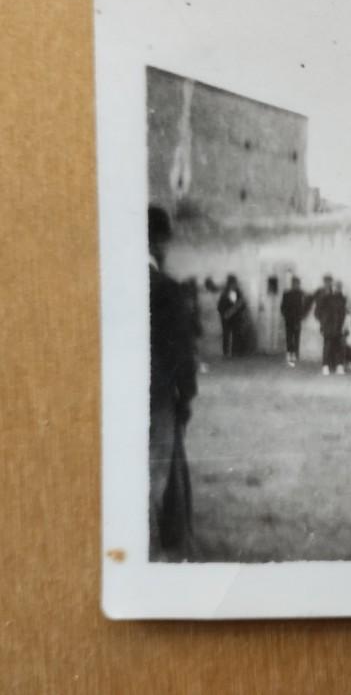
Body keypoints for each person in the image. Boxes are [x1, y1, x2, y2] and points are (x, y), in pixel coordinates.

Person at [147, 206, 197, 561]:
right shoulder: (164, 289)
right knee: (158, 471)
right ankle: (161, 548)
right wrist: (187, 393)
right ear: (160, 242)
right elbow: (181, 348)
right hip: (157, 395)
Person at [314, 277, 347, 375]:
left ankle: (339, 366)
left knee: (338, 346)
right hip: (328, 326)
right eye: (336, 287)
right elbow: (317, 312)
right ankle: (325, 367)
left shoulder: (342, 298)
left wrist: (343, 324)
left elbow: (343, 313)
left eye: (340, 287)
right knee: (327, 346)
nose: (338, 289)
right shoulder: (326, 298)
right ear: (333, 287)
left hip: (339, 326)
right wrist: (323, 322)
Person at [216, 274, 247, 358]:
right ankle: (226, 352)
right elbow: (220, 306)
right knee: (226, 335)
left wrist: (237, 310)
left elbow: (242, 305)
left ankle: (235, 352)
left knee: (236, 334)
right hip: (227, 317)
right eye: (233, 283)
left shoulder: (237, 292)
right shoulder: (225, 293)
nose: (234, 284)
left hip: (235, 317)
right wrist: (225, 314)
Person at [280, 276, 308, 367]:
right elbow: (283, 306)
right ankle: (289, 353)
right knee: (289, 336)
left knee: (296, 337)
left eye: (297, 284)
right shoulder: (286, 294)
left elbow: (304, 305)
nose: (296, 285)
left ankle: (295, 354)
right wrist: (285, 315)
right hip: (289, 318)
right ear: (292, 284)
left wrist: (302, 316)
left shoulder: (301, 294)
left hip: (297, 318)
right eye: (294, 283)